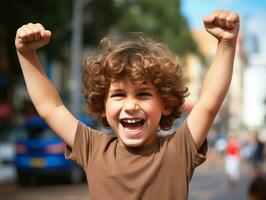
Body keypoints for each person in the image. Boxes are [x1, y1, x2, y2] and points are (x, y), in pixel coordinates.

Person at [15, 10, 240, 200]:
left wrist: (227, 43)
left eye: (143, 94)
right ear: (102, 106)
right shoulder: (93, 148)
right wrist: (26, 54)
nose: (131, 105)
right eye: (119, 95)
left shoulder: (178, 149)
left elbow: (209, 102)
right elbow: (50, 108)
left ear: (166, 105)